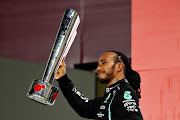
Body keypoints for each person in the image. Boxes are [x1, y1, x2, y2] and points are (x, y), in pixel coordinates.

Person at [55, 51, 143, 120]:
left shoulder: (124, 91)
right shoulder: (110, 96)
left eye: (104, 63)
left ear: (119, 66)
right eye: (98, 65)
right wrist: (63, 78)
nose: (98, 68)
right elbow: (84, 107)